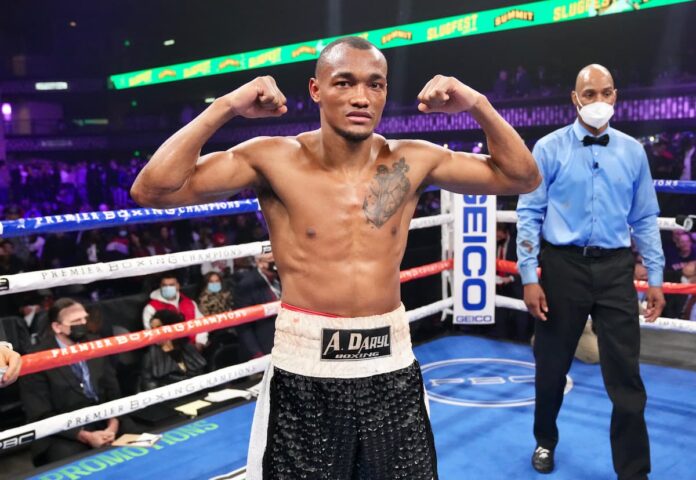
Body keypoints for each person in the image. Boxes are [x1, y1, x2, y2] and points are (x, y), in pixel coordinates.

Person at [131, 36, 539, 479]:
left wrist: (476, 103)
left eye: (375, 85)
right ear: (316, 90)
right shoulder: (273, 158)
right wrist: (227, 105)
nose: (361, 97)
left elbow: (521, 177)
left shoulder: (411, 160)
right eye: (344, 83)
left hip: (391, 364)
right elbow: (152, 189)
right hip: (305, 367)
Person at [516, 64, 666, 478]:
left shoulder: (632, 152)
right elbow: (529, 214)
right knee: (551, 369)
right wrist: (529, 276)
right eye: (589, 93)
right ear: (574, 98)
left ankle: (634, 471)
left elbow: (646, 218)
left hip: (616, 269)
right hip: (562, 267)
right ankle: (545, 440)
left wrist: (655, 276)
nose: (597, 101)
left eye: (604, 92)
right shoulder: (548, 148)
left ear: (615, 95)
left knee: (626, 376)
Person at [19, 298, 135, 466]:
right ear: (57, 327)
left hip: (104, 419)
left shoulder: (96, 344)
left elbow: (112, 391)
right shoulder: (35, 360)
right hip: (62, 431)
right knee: (74, 461)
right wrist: (86, 436)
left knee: (146, 443)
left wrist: (112, 426)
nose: (83, 324)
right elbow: (41, 414)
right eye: (75, 321)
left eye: (84, 319)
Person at [139, 310, 207, 391]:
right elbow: (149, 387)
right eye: (153, 329)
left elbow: (200, 373)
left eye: (159, 328)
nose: (156, 332)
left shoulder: (187, 346)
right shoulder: (150, 356)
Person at [142, 273, 208, 348]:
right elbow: (150, 334)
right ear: (160, 286)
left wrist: (200, 342)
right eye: (164, 285)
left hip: (194, 347)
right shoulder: (151, 308)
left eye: (171, 285)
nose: (167, 288)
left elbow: (202, 323)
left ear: (178, 286)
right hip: (168, 350)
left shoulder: (190, 303)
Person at [234, 253, 280, 359]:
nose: (276, 262)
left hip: (288, 340)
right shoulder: (246, 285)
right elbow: (243, 325)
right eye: (270, 260)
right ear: (260, 263)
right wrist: (256, 353)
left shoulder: (283, 276)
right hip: (266, 344)